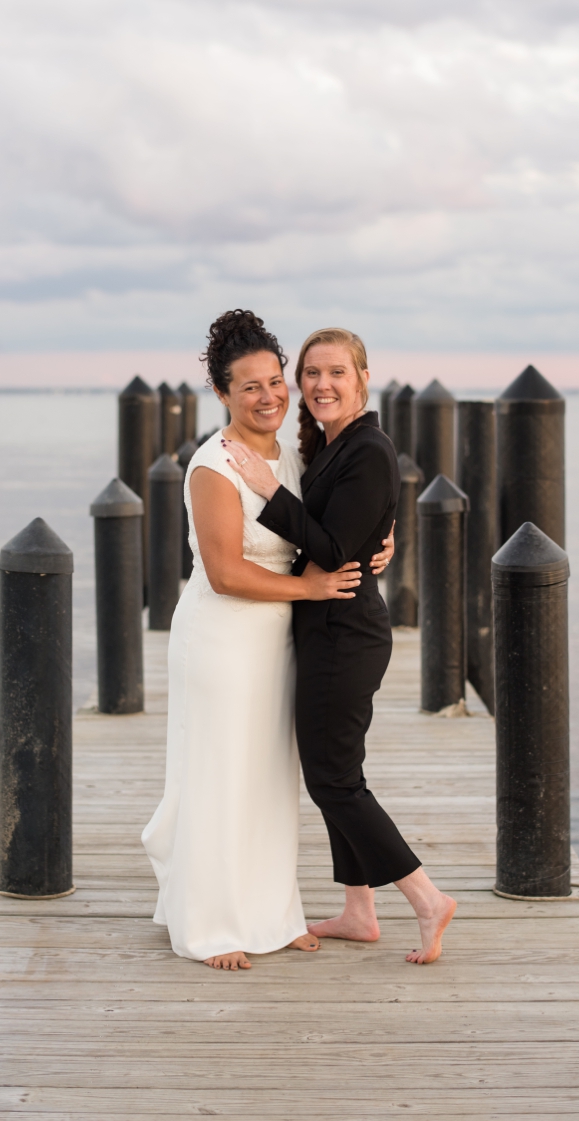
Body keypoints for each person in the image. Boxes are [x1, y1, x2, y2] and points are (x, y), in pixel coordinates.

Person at [141, 309, 392, 970]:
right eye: (249, 386)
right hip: (222, 638)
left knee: (269, 778)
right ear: (222, 394)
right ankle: (211, 923)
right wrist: (311, 590)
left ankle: (272, 914)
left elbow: (330, 524)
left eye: (276, 380)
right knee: (220, 773)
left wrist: (381, 542)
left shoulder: (295, 452)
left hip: (279, 640)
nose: (270, 395)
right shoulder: (213, 464)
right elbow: (224, 572)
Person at [224, 325, 457, 965]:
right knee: (338, 773)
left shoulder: (368, 449)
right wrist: (382, 535)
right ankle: (359, 909)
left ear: (361, 378)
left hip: (344, 634)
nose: (322, 384)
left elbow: (328, 551)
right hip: (328, 630)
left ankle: (427, 898)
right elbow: (351, 529)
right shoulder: (332, 443)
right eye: (311, 374)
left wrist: (267, 491)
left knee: (334, 781)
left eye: (336, 373)